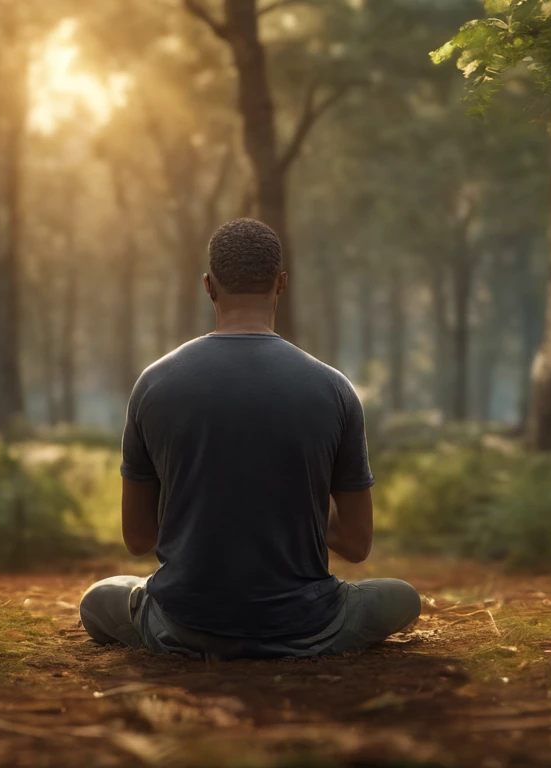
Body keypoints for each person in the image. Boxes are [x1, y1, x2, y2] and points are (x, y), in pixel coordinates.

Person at [78, 218, 422, 659]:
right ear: (281, 284)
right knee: (401, 597)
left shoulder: (154, 384)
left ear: (208, 286)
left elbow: (138, 538)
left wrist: (203, 504)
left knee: (98, 600)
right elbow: (357, 544)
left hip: (181, 621)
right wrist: (291, 506)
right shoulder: (334, 388)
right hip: (309, 624)